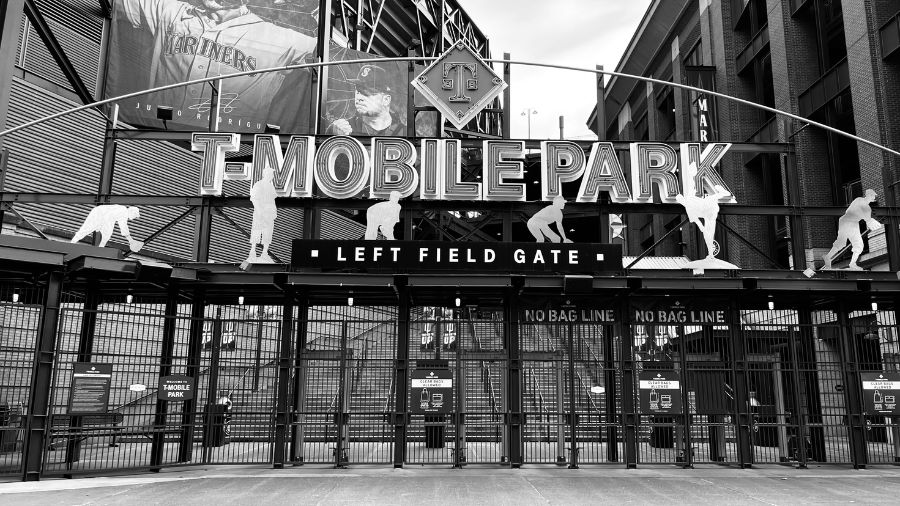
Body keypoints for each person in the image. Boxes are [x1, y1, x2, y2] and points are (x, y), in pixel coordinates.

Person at [114, 0, 317, 131]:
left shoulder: (277, 38)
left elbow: (336, 59)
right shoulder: (168, 12)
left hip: (227, 151)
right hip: (148, 134)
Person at [328, 64, 405, 136]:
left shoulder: (404, 132)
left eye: (367, 93)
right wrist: (332, 133)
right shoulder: (344, 129)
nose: (360, 98)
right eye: (358, 91)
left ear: (386, 100)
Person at [823, 189, 881, 270]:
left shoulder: (868, 209)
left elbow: (867, 219)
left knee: (859, 245)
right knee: (841, 243)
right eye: (873, 195)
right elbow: (851, 211)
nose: (874, 197)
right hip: (846, 221)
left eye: (874, 196)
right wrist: (869, 220)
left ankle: (852, 264)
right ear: (868, 195)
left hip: (854, 223)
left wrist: (870, 221)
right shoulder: (859, 200)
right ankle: (828, 257)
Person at [675, 185, 731, 259]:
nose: (682, 201)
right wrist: (703, 229)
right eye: (680, 201)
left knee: (709, 199)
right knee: (708, 235)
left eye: (681, 199)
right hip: (706, 214)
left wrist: (694, 178)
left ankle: (724, 193)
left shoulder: (689, 199)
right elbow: (697, 221)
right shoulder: (689, 209)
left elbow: (693, 187)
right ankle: (711, 254)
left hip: (709, 207)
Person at [71, 205, 144, 252]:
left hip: (104, 216)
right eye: (135, 216)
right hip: (99, 213)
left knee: (107, 234)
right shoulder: (123, 211)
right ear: (132, 212)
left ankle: (100, 249)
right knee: (87, 228)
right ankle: (72, 243)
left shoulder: (123, 212)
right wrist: (130, 240)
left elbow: (123, 226)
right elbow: (123, 226)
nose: (135, 217)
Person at [246, 167, 277, 265]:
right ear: (266, 174)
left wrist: (274, 212)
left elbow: (272, 200)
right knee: (257, 231)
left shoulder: (271, 186)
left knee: (268, 232)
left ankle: (264, 252)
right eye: (270, 174)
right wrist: (259, 211)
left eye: (272, 174)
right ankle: (253, 251)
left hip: (269, 213)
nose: (271, 176)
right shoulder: (258, 184)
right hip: (260, 211)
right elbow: (254, 199)